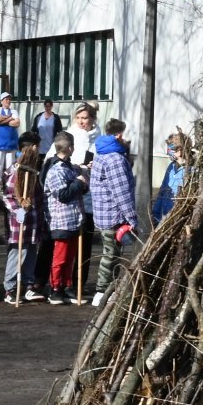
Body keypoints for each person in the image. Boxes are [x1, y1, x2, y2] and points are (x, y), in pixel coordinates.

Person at [88, 118, 137, 307]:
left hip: (103, 212)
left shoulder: (101, 153)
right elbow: (121, 191)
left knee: (112, 253)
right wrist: (131, 217)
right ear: (119, 136)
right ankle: (102, 292)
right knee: (111, 254)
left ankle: (110, 290)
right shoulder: (115, 159)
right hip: (113, 215)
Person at [42, 134, 88, 304]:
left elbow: (80, 190)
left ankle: (67, 286)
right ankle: (55, 288)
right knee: (60, 258)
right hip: (61, 220)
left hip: (75, 218)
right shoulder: (56, 170)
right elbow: (63, 194)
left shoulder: (70, 167)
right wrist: (78, 182)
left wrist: (83, 178)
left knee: (70, 257)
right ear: (70, 148)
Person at [5, 130, 46, 304]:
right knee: (17, 253)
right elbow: (8, 195)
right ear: (34, 148)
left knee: (30, 252)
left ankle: (28, 285)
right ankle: (10, 288)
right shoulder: (16, 170)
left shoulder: (34, 170)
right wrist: (17, 209)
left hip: (34, 219)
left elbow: (38, 196)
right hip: (19, 221)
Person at [151, 131, 189, 223]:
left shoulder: (190, 170)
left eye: (170, 149)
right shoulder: (171, 167)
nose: (168, 152)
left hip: (177, 218)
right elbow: (162, 191)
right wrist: (155, 213)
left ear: (179, 150)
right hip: (163, 215)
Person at [0, 92, 22, 181]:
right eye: (6, 99)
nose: (8, 101)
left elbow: (17, 123)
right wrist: (10, 118)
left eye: (9, 99)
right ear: (1, 101)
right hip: (0, 141)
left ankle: (8, 183)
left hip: (11, 142)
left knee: (10, 166)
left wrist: (4, 120)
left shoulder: (14, 111)